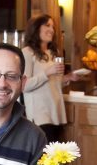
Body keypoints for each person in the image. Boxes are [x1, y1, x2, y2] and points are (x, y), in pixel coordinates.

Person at [21, 13, 69, 143]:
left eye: (53, 26)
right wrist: (47, 73)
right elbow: (24, 86)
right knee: (44, 160)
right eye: (47, 25)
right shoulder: (27, 52)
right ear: (36, 28)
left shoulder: (54, 53)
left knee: (57, 158)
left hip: (57, 113)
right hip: (40, 116)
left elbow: (54, 84)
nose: (52, 30)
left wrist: (68, 78)